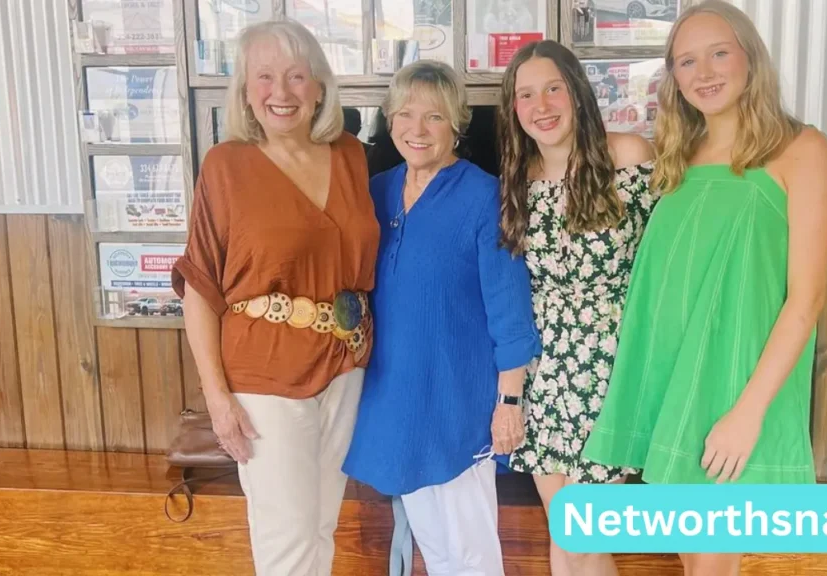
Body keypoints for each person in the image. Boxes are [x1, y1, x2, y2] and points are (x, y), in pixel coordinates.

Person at [582, 1, 827, 574]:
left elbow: (807, 299)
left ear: (750, 57)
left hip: (736, 382)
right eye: (686, 61)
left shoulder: (802, 149)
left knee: (712, 562)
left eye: (719, 53)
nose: (704, 72)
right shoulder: (675, 156)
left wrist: (748, 411)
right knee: (689, 548)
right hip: (668, 375)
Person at [171, 20, 379, 576]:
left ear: (318, 87)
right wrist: (217, 399)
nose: (280, 93)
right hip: (265, 377)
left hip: (345, 366)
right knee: (286, 541)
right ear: (245, 89)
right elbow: (200, 285)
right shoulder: (226, 165)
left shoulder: (350, 155)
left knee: (320, 527)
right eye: (265, 77)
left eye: (295, 76)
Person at [341, 60, 542, 576]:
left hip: (458, 400)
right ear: (388, 119)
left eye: (433, 117)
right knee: (435, 544)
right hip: (398, 401)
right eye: (405, 115)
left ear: (456, 123)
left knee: (470, 553)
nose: (417, 129)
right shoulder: (378, 190)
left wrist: (509, 402)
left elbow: (509, 307)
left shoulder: (482, 195)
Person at [497, 40, 656, 576]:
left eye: (552, 88)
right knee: (567, 532)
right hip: (548, 372)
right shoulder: (517, 183)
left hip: (612, 367)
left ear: (578, 93)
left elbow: (668, 262)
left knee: (581, 531)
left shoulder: (627, 154)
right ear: (513, 109)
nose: (540, 105)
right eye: (525, 94)